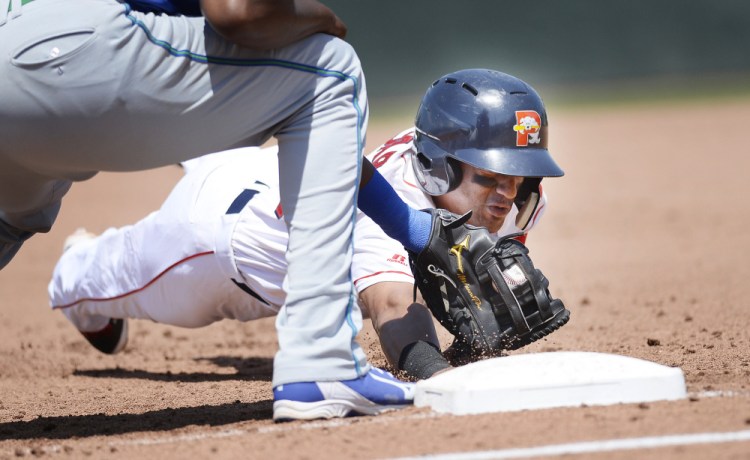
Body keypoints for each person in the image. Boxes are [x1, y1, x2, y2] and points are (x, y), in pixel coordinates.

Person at [1, 0, 437, 421]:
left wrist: (415, 229)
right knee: (330, 68)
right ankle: (322, 358)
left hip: (29, 38)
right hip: (73, 51)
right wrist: (324, 19)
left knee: (9, 219)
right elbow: (238, 11)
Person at [48, 69, 565, 413]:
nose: (507, 194)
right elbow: (393, 312)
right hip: (214, 238)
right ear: (438, 167)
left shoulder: (506, 197)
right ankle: (80, 265)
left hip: (265, 174)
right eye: (491, 176)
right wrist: (446, 373)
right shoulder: (387, 205)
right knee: (89, 282)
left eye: (518, 176)